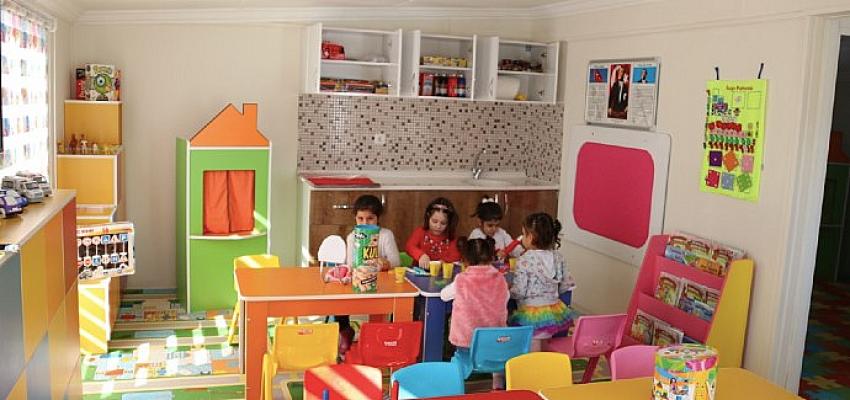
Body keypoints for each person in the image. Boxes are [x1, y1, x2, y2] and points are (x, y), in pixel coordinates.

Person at [440, 237, 509, 389]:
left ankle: (457, 386)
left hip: (467, 340)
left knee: (460, 360)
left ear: (465, 260)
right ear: (491, 257)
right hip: (494, 340)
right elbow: (507, 296)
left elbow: (444, 295)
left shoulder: (461, 280)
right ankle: (497, 385)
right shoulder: (500, 279)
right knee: (497, 361)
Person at [338, 194, 401, 355]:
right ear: (355, 218)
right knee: (338, 299)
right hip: (360, 281)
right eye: (360, 219)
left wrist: (384, 263)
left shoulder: (385, 235)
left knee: (390, 306)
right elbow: (350, 264)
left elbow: (396, 262)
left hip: (382, 285)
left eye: (370, 218)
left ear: (378, 219)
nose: (365, 223)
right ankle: (345, 330)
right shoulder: (352, 237)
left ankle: (384, 336)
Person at [509, 212, 576, 351]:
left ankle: (535, 365)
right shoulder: (558, 256)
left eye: (523, 234)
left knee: (531, 350)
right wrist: (552, 294)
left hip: (530, 313)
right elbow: (566, 284)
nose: (522, 238)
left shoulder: (525, 259)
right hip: (553, 311)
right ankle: (546, 363)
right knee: (545, 347)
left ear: (531, 237)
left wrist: (509, 290)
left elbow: (519, 292)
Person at [405, 197, 461, 269]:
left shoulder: (452, 238)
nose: (438, 226)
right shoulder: (420, 232)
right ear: (428, 218)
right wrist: (421, 255)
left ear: (449, 223)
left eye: (443, 223)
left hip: (442, 273)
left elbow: (455, 256)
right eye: (434, 221)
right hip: (418, 272)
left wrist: (443, 262)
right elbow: (409, 246)